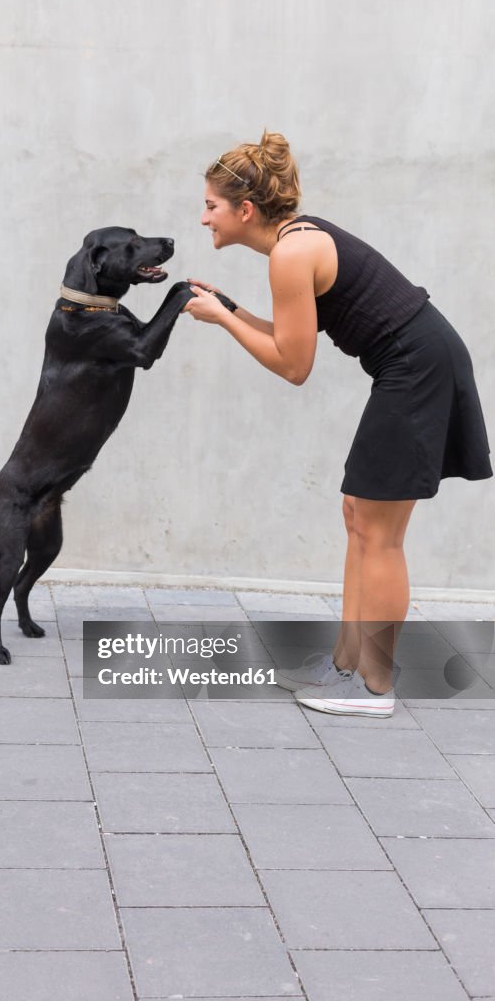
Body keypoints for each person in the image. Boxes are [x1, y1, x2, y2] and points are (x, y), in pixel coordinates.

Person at [182, 131, 492, 718]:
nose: (203, 218)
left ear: (245, 210)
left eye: (211, 206)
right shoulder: (295, 241)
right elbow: (285, 336)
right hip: (412, 363)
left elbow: (293, 365)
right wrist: (228, 308)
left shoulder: (291, 254)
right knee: (358, 512)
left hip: (418, 368)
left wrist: (223, 323)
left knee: (380, 532)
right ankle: (345, 664)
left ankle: (374, 684)